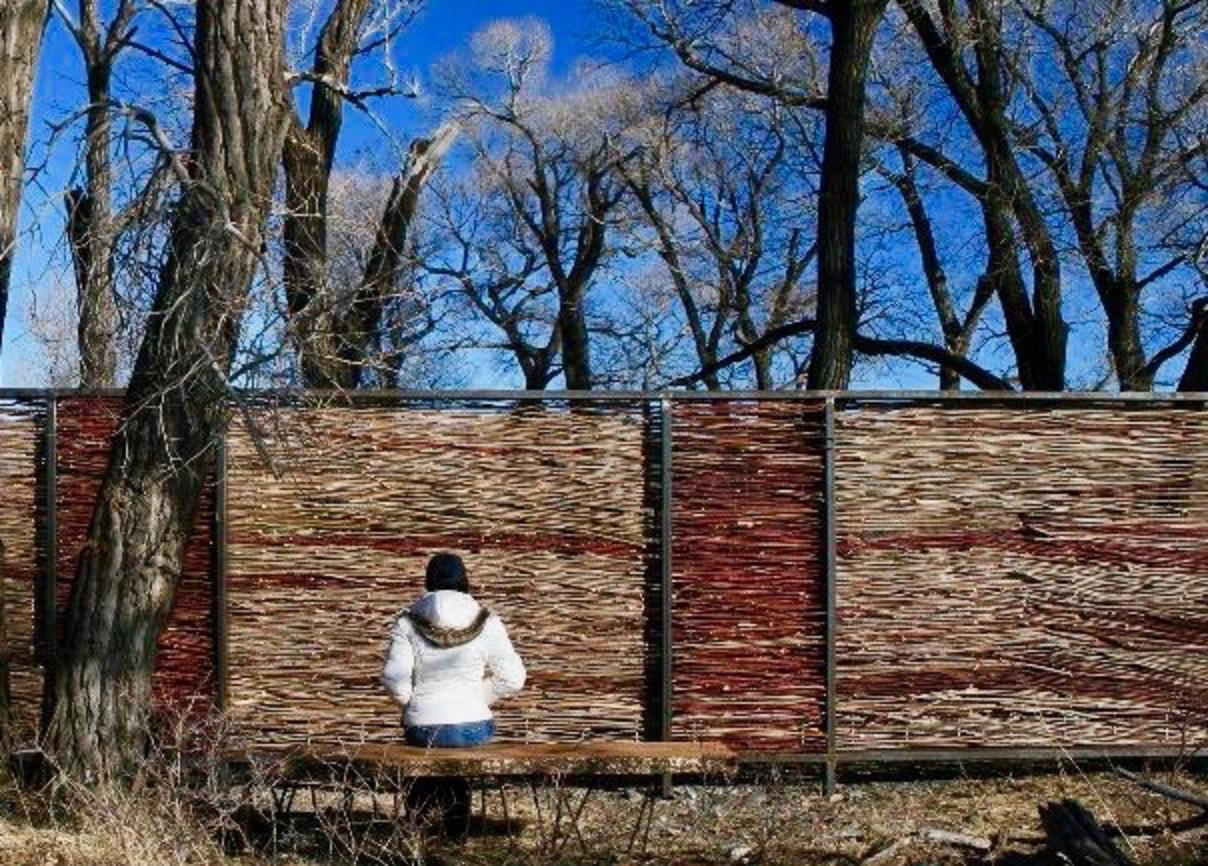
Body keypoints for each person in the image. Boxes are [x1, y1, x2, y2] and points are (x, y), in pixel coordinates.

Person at [381, 552, 526, 748]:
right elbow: (513, 678)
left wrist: (417, 705)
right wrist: (474, 698)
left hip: (422, 730)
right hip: (473, 726)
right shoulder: (488, 622)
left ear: (428, 580)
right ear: (465, 580)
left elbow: (393, 679)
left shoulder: (406, 623)